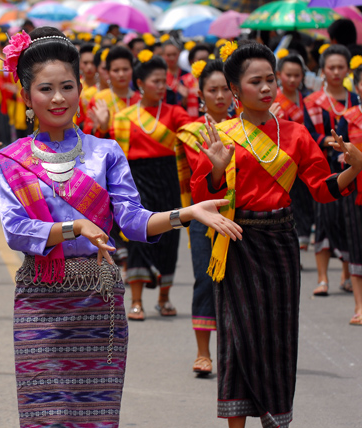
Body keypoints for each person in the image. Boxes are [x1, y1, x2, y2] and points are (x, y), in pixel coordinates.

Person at [0, 27, 242, 428]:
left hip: (99, 300)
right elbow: (16, 230)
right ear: (26, 96)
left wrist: (187, 212)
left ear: (80, 90)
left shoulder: (105, 153)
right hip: (40, 300)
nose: (58, 98)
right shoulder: (12, 159)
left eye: (67, 87)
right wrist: (75, 227)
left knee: (97, 414)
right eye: (45, 89)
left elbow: (133, 221)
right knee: (44, 415)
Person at [191, 41, 362, 428]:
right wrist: (217, 170)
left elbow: (321, 188)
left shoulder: (297, 134)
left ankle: (276, 418)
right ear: (235, 89)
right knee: (237, 338)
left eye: (270, 79)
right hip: (237, 242)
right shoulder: (222, 135)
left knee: (278, 338)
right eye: (256, 81)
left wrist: (355, 167)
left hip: (281, 243)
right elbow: (204, 199)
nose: (267, 88)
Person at [110, 52, 194, 319]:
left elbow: (195, 133)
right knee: (137, 236)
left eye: (164, 81)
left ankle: (164, 298)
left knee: (170, 236)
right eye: (156, 81)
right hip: (137, 180)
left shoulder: (175, 112)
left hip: (168, 178)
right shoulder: (124, 117)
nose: (161, 86)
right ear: (140, 83)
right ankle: (136, 300)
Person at [176, 58, 233, 374]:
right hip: (204, 215)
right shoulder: (192, 132)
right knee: (205, 278)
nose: (220, 96)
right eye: (213, 89)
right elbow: (200, 179)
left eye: (226, 89)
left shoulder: (249, 127)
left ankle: (236, 349)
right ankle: (203, 352)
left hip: (241, 215)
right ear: (201, 94)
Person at [304, 44, 357, 295]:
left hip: (352, 166)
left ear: (347, 70)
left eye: (341, 67)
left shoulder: (355, 99)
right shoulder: (313, 102)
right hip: (323, 164)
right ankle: (323, 278)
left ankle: (347, 274)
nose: (336, 71)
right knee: (324, 218)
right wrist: (332, 142)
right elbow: (308, 133)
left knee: (349, 221)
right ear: (322, 70)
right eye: (331, 67)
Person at [276, 53, 315, 250]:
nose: (292, 79)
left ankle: (303, 237)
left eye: (296, 75)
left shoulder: (308, 99)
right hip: (281, 160)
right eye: (288, 75)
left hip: (305, 156)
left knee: (307, 199)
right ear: (279, 75)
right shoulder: (272, 100)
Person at [335, 60, 362, 324]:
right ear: (357, 86)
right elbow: (339, 150)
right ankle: (359, 305)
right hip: (357, 190)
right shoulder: (349, 117)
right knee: (357, 244)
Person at [83, 46, 141, 137]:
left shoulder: (141, 101)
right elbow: (87, 137)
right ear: (108, 72)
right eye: (116, 70)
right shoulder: (99, 100)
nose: (121, 74)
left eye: (125, 69)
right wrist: (102, 127)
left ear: (132, 70)